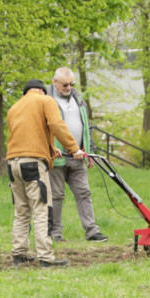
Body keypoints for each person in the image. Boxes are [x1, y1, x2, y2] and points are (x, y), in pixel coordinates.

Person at [6, 78, 85, 268]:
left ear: (26, 92)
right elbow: (57, 125)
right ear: (42, 90)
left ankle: (19, 254)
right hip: (33, 165)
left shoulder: (14, 108)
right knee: (42, 209)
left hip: (12, 163)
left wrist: (51, 150)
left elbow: (28, 133)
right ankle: (45, 257)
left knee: (21, 209)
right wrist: (74, 149)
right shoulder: (46, 101)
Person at [45, 67, 107, 243]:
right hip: (57, 157)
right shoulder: (47, 100)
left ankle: (92, 231)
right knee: (57, 196)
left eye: (72, 84)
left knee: (84, 193)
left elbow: (87, 127)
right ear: (55, 82)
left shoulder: (79, 100)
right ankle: (56, 233)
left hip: (79, 156)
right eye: (65, 84)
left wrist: (91, 151)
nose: (69, 87)